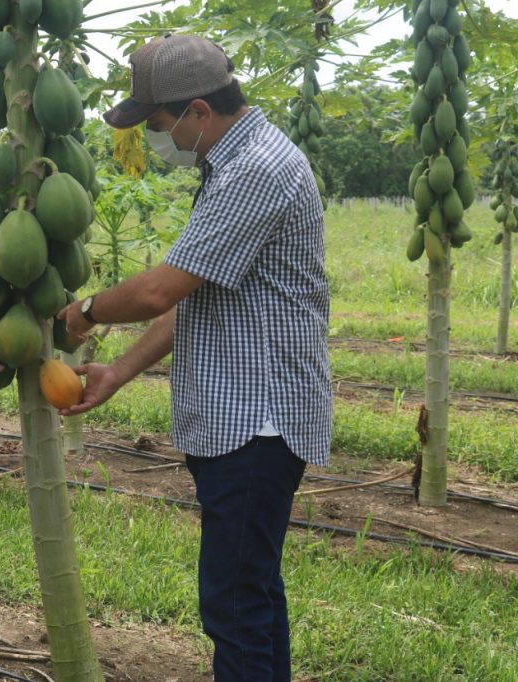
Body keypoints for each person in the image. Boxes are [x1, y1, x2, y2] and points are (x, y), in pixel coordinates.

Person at [58, 35, 332, 682]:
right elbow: (195, 295)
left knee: (234, 605)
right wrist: (121, 370)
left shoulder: (254, 170)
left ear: (199, 112)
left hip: (256, 422)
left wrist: (85, 312)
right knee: (253, 596)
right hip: (244, 418)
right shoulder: (232, 165)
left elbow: (160, 288)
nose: (159, 139)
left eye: (158, 125)